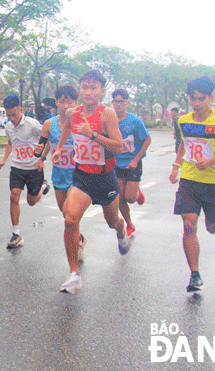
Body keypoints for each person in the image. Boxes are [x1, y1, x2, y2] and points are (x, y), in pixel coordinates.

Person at [51, 69, 129, 294]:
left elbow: (118, 146)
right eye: (84, 87)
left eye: (93, 88)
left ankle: (121, 229)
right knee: (70, 219)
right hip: (82, 175)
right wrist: (57, 150)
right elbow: (67, 130)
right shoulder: (72, 113)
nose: (88, 92)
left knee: (111, 221)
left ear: (101, 91)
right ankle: (74, 274)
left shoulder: (107, 115)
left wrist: (93, 134)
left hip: (104, 177)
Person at [169, 75, 215, 292]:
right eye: (193, 99)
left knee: (212, 227)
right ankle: (195, 274)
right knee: (189, 224)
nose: (197, 103)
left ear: (211, 97)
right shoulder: (184, 121)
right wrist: (176, 166)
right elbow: (184, 144)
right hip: (190, 180)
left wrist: (211, 161)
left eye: (201, 99)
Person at [35, 85, 85, 269]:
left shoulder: (81, 122)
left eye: (69, 101)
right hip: (59, 173)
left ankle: (77, 246)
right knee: (65, 212)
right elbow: (44, 144)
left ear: (76, 103)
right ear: (56, 102)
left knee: (71, 217)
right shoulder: (49, 124)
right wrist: (40, 156)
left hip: (78, 175)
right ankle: (80, 237)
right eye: (62, 101)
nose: (65, 105)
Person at [0, 94, 49, 249]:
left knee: (32, 202)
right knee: (14, 196)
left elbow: (48, 140)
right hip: (17, 168)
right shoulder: (8, 127)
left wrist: (42, 159)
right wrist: (4, 160)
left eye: (14, 114)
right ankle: (16, 234)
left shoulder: (33, 124)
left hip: (34, 169)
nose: (12, 118)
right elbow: (10, 143)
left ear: (21, 109)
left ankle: (43, 187)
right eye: (8, 115)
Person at [112, 89, 151, 238]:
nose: (119, 104)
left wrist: (136, 159)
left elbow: (147, 140)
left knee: (130, 198)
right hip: (116, 164)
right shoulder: (110, 120)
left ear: (127, 103)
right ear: (112, 102)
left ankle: (136, 191)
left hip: (132, 163)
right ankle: (129, 224)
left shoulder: (135, 121)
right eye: (116, 101)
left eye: (122, 101)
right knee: (120, 197)